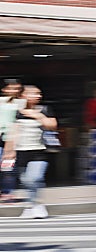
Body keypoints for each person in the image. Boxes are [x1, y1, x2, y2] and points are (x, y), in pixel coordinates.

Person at [2, 85, 58, 218]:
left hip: (39, 151)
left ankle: (37, 205)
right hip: (21, 151)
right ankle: (30, 206)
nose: (38, 96)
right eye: (34, 93)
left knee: (35, 178)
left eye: (39, 94)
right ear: (23, 96)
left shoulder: (44, 109)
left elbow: (53, 125)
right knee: (26, 180)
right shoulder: (16, 112)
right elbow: (12, 131)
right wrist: (8, 151)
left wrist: (36, 115)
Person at [0, 79, 25, 203]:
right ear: (4, 89)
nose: (14, 91)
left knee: (9, 168)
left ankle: (7, 192)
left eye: (17, 88)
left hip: (12, 139)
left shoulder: (21, 103)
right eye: (10, 88)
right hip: (1, 137)